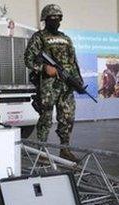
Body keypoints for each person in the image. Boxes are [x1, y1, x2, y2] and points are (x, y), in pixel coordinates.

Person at [24, 4, 83, 162]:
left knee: (68, 117)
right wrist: (43, 67)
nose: (56, 20)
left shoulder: (66, 39)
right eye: (52, 18)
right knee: (46, 118)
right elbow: (28, 60)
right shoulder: (39, 37)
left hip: (66, 86)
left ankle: (65, 150)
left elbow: (73, 62)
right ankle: (41, 152)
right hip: (48, 86)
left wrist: (78, 82)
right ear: (45, 19)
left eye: (58, 18)